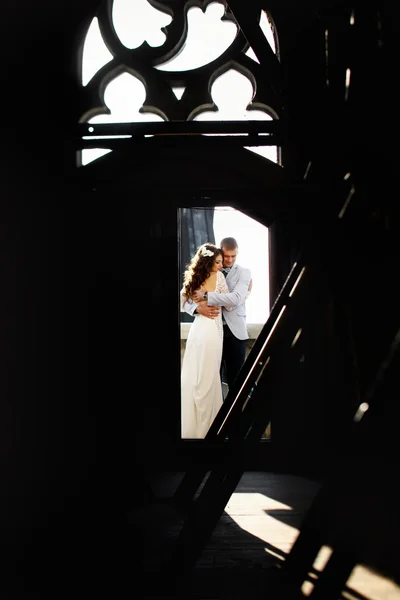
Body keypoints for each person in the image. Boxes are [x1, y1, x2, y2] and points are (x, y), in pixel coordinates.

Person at [180, 243, 233, 439]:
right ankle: (207, 430)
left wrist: (198, 305)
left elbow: (181, 302)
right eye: (218, 262)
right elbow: (228, 303)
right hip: (208, 330)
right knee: (206, 377)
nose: (221, 266)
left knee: (198, 376)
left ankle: (198, 429)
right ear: (209, 261)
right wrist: (198, 308)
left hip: (201, 329)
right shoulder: (218, 277)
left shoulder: (196, 277)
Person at [190, 237, 252, 390]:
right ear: (220, 252)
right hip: (211, 331)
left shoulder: (244, 272)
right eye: (226, 256)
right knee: (210, 379)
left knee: (236, 380)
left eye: (234, 256)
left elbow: (235, 299)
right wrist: (197, 309)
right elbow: (185, 300)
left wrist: (206, 296)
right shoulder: (204, 273)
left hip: (235, 332)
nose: (230, 260)